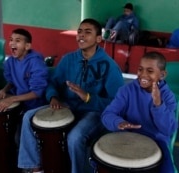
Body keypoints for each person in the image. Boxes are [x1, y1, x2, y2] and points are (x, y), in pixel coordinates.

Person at [18, 18, 124, 173]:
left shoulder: (109, 66)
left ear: (98, 39)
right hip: (68, 105)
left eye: (87, 32)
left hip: (94, 111)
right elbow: (53, 83)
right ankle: (34, 168)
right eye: (79, 31)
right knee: (28, 117)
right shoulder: (68, 59)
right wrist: (53, 96)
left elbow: (117, 103)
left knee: (75, 137)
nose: (81, 35)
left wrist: (88, 97)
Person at [101, 51, 178, 173]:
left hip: (157, 141)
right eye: (140, 69)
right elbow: (107, 114)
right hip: (128, 138)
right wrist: (118, 122)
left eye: (150, 71)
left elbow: (168, 129)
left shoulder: (168, 97)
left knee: (167, 171)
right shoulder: (126, 90)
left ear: (162, 75)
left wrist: (158, 104)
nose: (143, 75)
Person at [0, 28, 49, 145]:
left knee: (19, 138)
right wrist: (4, 90)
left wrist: (12, 99)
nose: (12, 43)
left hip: (36, 106)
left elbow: (37, 93)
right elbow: (12, 81)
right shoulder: (10, 62)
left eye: (17, 40)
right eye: (11, 40)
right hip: (21, 105)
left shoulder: (35, 62)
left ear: (27, 46)